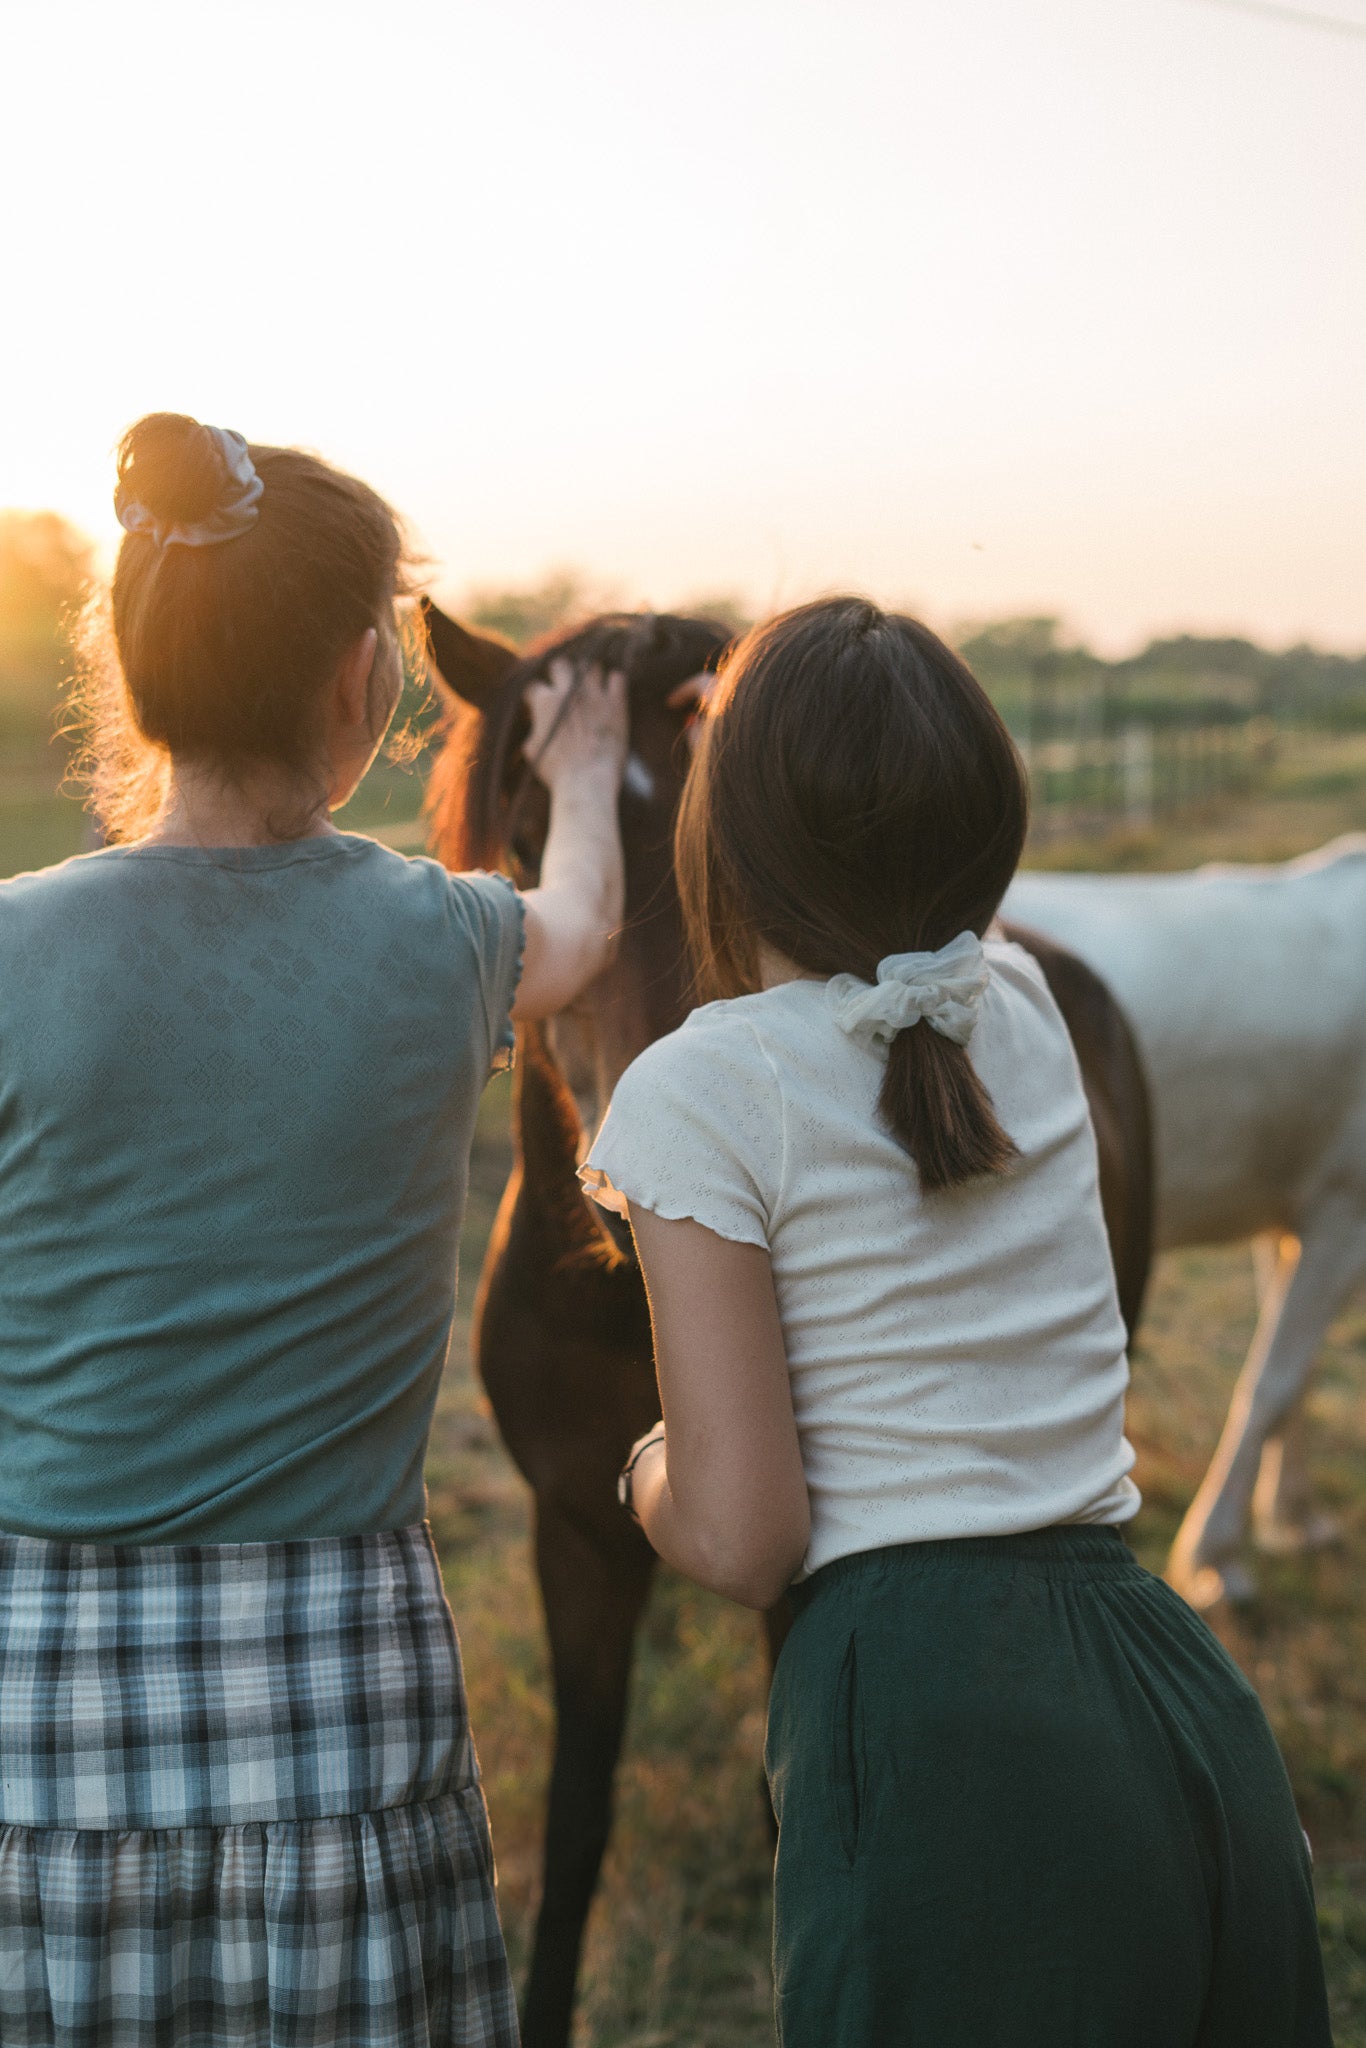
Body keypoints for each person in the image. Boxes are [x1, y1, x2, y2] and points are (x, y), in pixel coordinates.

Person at [580, 598, 1332, 2046]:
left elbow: (745, 1537)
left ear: (722, 840)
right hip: (1165, 1682)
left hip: (930, 1730)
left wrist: (645, 1468)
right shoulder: (1032, 1006)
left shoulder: (699, 1089)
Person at [0, 413, 627, 2047]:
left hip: (48, 1686)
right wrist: (578, 778)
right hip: (341, 1686)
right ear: (361, 682)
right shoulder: (442, 938)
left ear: (135, 668)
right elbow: (584, 927)